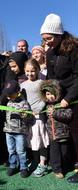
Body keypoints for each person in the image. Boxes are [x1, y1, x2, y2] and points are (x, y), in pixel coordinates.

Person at [40, 13, 78, 183]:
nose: (46, 42)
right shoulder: (49, 54)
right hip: (59, 100)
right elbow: (52, 79)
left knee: (77, 135)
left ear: (58, 34)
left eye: (49, 38)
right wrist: (50, 96)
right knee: (64, 136)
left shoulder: (74, 49)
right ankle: (69, 163)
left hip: (74, 99)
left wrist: (68, 99)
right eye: (44, 39)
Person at [21, 59, 49, 177]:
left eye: (33, 71)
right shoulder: (22, 85)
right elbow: (22, 100)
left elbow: (45, 98)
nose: (30, 73)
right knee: (32, 141)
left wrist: (38, 109)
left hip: (39, 117)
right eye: (27, 71)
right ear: (24, 71)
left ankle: (43, 163)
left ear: (38, 70)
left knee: (41, 140)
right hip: (28, 118)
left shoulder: (41, 83)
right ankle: (35, 160)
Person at [40, 80, 72, 179]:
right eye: (48, 94)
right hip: (52, 135)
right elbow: (43, 116)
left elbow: (68, 115)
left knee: (64, 152)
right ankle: (57, 170)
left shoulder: (62, 104)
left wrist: (55, 113)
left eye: (52, 94)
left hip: (63, 134)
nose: (50, 96)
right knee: (55, 153)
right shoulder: (46, 106)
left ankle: (65, 167)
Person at [1, 80, 31, 178]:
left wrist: (25, 114)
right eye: (7, 95)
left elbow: (29, 116)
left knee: (21, 151)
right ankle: (13, 165)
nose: (8, 96)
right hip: (8, 131)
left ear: (17, 92)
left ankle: (23, 167)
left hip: (19, 132)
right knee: (11, 150)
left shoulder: (24, 103)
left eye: (10, 94)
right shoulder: (9, 102)